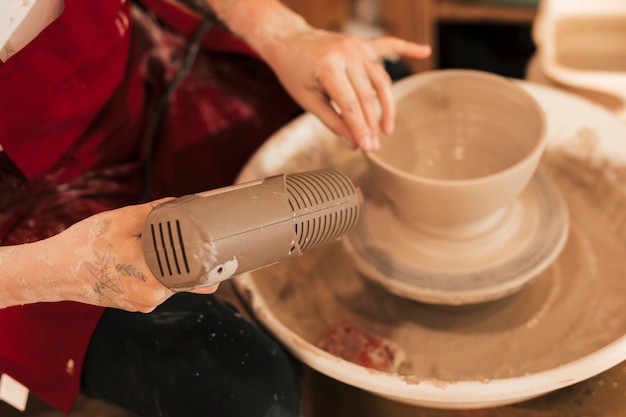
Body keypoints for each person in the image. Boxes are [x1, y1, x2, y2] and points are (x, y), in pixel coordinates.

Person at [0, 0, 431, 415]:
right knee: (251, 395)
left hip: (132, 79)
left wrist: (284, 33)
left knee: (376, 85)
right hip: (25, 226)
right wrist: (56, 271)